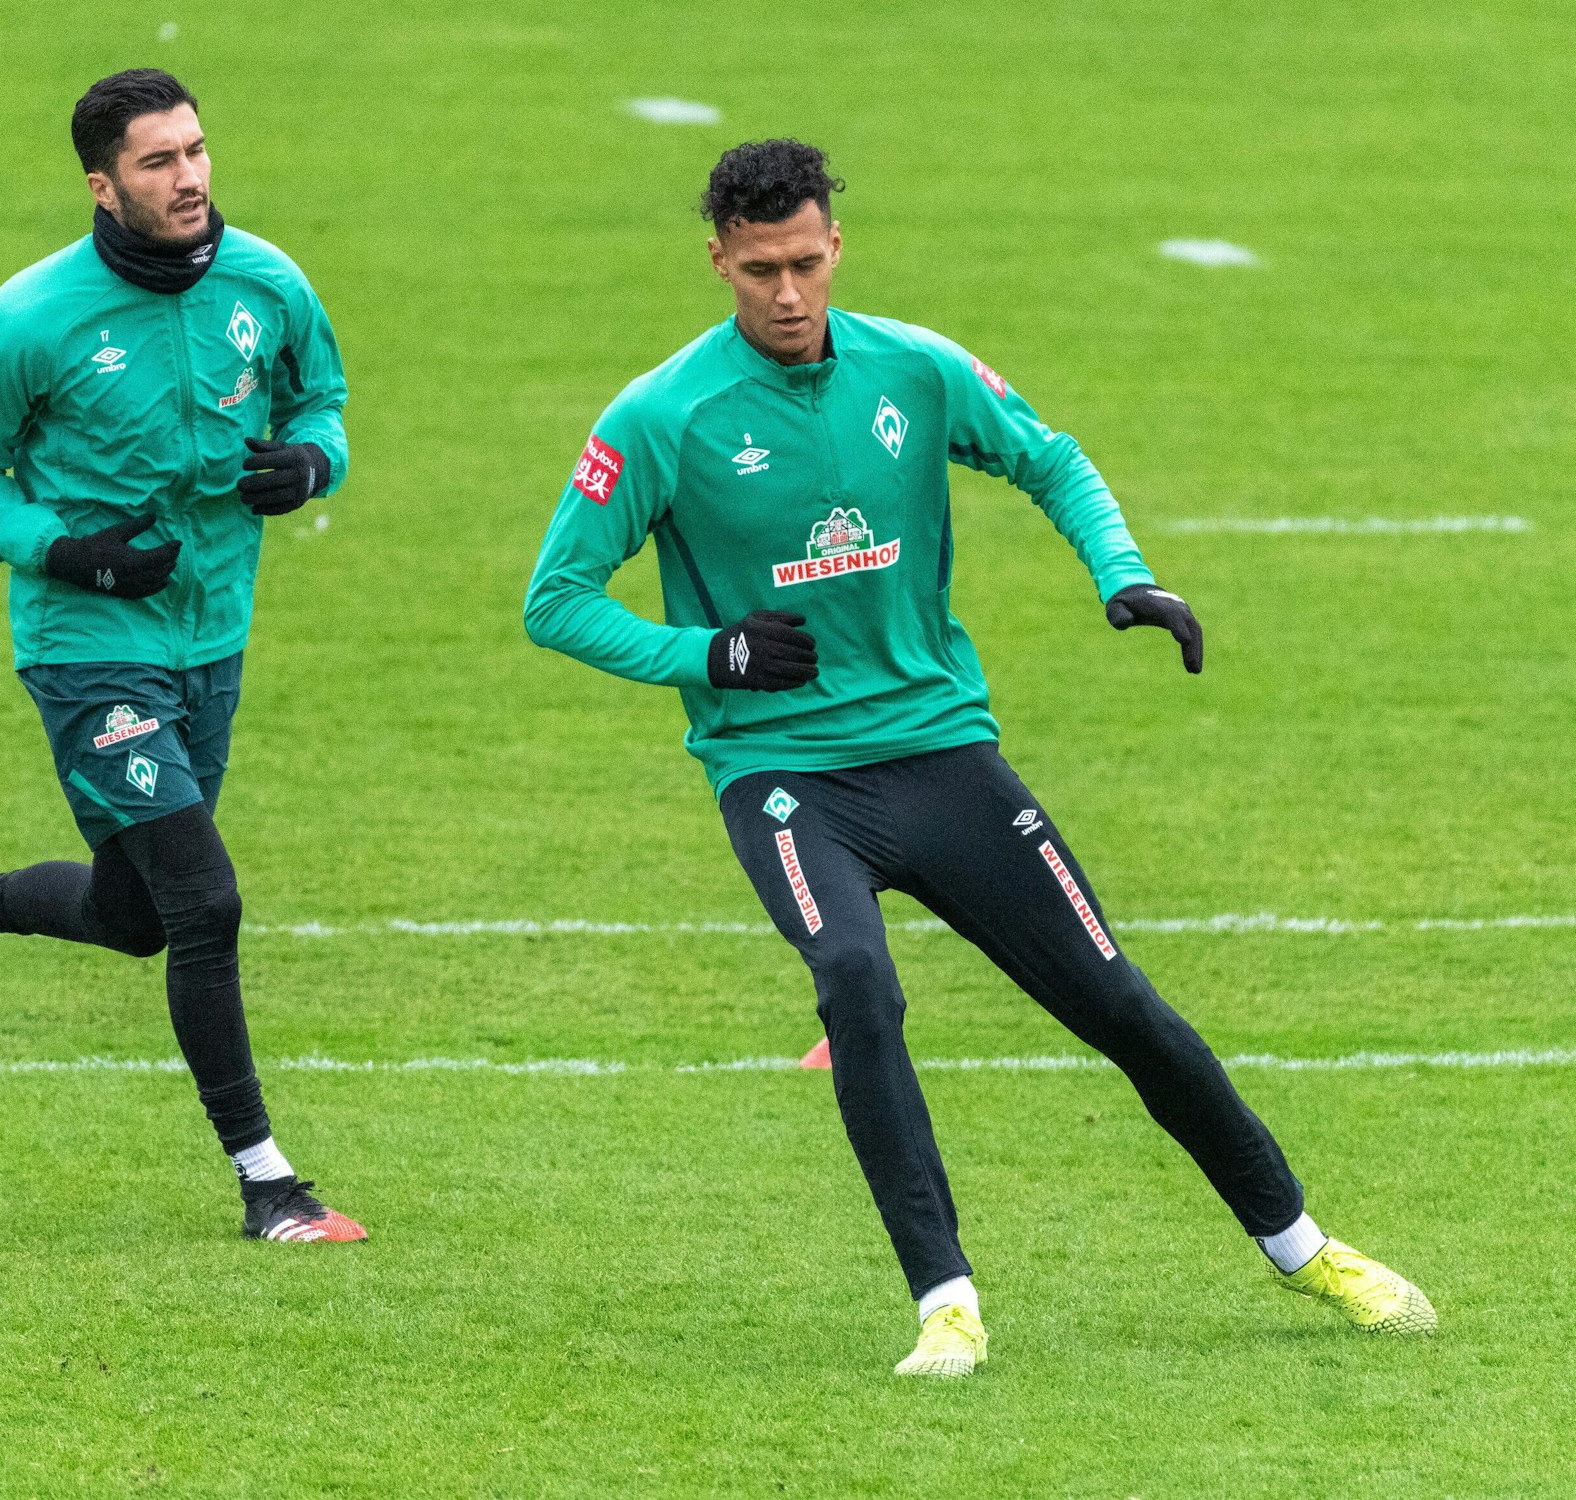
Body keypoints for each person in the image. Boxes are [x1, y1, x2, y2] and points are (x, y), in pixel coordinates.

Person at [523, 138, 1431, 1375]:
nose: (783, 296)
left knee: (1119, 1004)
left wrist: (1123, 576)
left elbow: (1048, 456)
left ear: (834, 245)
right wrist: (710, 657)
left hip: (941, 753)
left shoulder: (915, 368)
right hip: (784, 775)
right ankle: (944, 1300)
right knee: (853, 976)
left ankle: (1305, 1249)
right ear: (716, 263)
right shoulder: (661, 417)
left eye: (801, 264)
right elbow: (556, 598)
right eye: (755, 273)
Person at [0, 68, 363, 1245]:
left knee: (136, 912)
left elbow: (324, 404)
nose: (189, 177)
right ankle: (267, 1186)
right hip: (88, 651)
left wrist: (309, 467)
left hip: (212, 640)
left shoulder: (269, 282)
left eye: (194, 151)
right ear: (103, 183)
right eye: (157, 161)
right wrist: (67, 553)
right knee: (205, 901)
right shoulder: (33, 318)